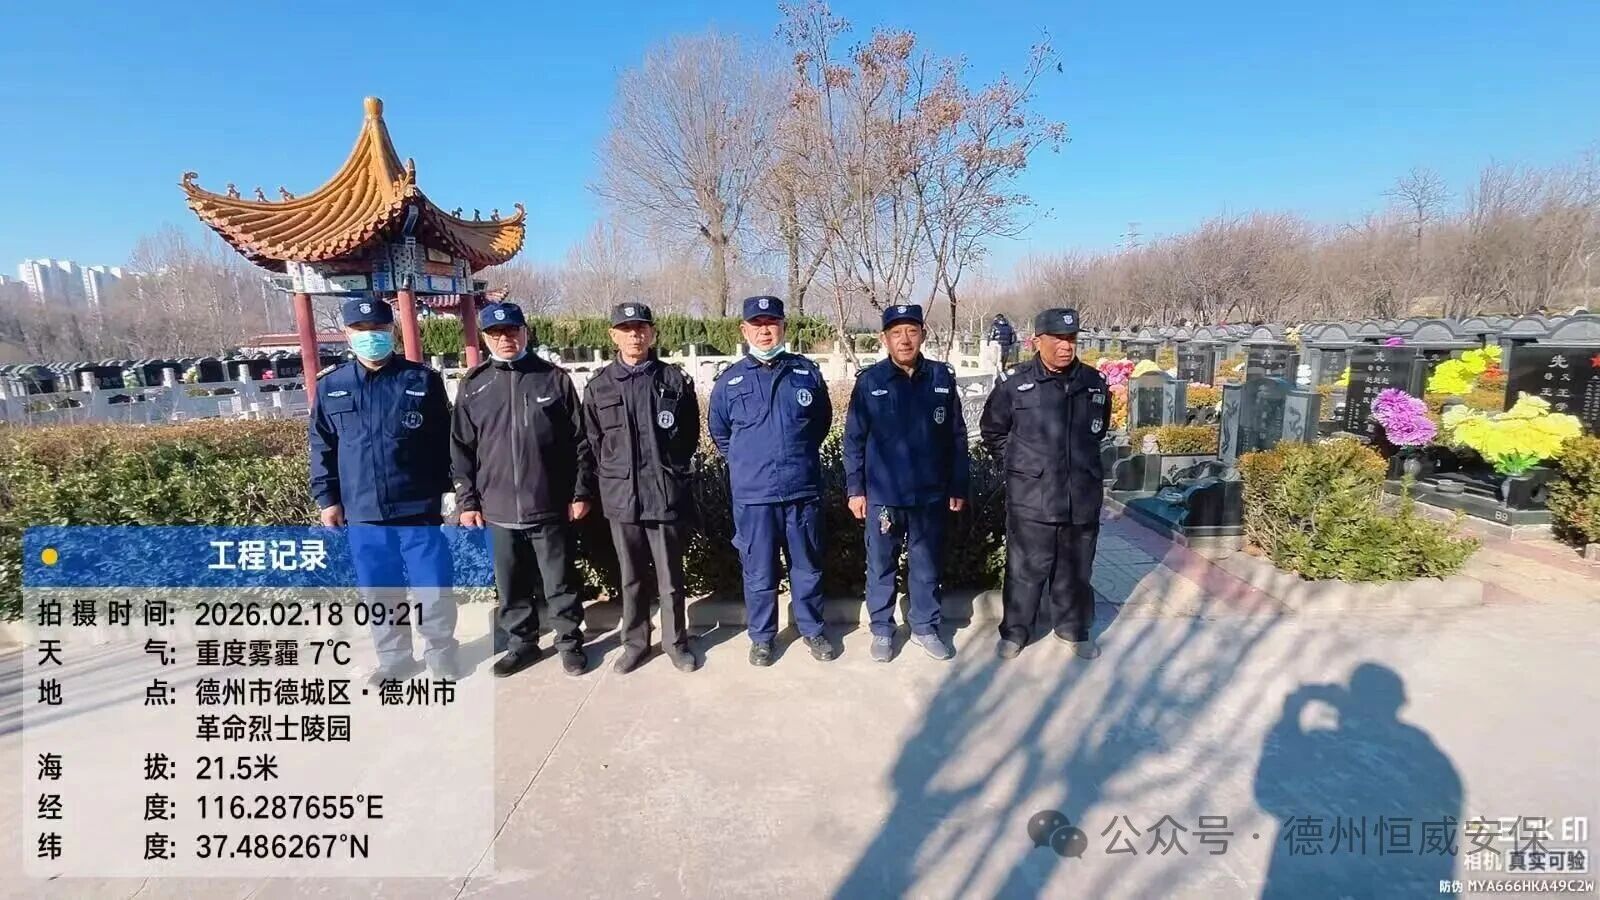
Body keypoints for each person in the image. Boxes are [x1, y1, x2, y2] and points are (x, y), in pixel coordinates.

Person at [310, 297, 459, 681]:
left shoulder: (421, 380)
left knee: (432, 586)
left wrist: (451, 490)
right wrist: (327, 499)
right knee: (380, 590)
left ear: (391, 330)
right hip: (363, 511)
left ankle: (441, 653)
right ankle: (395, 659)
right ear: (347, 334)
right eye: (360, 330)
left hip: (418, 506)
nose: (370, 336)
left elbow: (445, 440)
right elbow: (322, 446)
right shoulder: (332, 386)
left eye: (377, 329)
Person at [450, 301, 594, 679]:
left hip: (549, 504)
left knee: (560, 582)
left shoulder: (552, 378)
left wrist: (580, 493)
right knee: (511, 586)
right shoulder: (474, 384)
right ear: (485, 338)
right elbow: (461, 449)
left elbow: (580, 442)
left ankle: (569, 644)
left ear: (525, 332)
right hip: (497, 508)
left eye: (512, 330)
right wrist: (467, 501)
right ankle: (522, 644)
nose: (505, 338)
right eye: (496, 333)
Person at [707, 295, 837, 667]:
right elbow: (721, 433)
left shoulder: (806, 373)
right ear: (744, 330)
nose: (765, 330)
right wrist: (750, 462)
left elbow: (820, 424)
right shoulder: (729, 381)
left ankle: (812, 629)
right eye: (757, 323)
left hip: (801, 489)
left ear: (783, 327)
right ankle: (762, 638)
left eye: (772, 323)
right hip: (754, 495)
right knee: (758, 571)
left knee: (807, 567)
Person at [979, 307, 1110, 661]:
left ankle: (1073, 628)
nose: (1066, 346)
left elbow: (1098, 430)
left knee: (1076, 568)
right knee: (1025, 570)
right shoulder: (1015, 384)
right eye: (1058, 339)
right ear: (1038, 341)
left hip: (1080, 495)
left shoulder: (1093, 383)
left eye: (1071, 339)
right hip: (1032, 497)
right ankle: (1016, 631)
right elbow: (993, 431)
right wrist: (1020, 466)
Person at [843, 303, 969, 662]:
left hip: (930, 494)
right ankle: (882, 629)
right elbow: (853, 440)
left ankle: (925, 627)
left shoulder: (941, 378)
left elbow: (956, 436)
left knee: (926, 565)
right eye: (896, 333)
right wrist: (855, 489)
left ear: (923, 335)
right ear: (884, 338)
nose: (904, 339)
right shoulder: (870, 382)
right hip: (884, 495)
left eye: (912, 331)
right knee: (880, 565)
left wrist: (958, 485)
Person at [582, 302, 701, 674]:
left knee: (670, 578)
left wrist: (672, 473)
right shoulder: (599, 385)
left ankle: (676, 643)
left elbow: (689, 435)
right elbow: (593, 442)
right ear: (613, 335)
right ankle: (635, 644)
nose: (635, 334)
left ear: (652, 333)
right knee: (630, 578)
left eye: (641, 328)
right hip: (622, 497)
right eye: (626, 328)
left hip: (663, 494)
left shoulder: (673, 380)